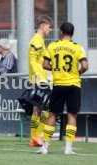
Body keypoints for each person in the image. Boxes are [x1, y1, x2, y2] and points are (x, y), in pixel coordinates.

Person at [38, 22, 88, 155]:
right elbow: (85, 65)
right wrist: (78, 72)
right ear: (72, 34)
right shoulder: (78, 48)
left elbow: (44, 64)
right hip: (73, 85)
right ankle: (68, 148)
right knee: (72, 115)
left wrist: (54, 68)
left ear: (61, 32)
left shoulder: (53, 45)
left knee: (52, 114)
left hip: (58, 84)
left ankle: (45, 147)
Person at [28, 15, 53, 147]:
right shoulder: (36, 40)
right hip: (39, 80)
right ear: (42, 26)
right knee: (48, 108)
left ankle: (34, 139)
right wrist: (37, 77)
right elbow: (32, 60)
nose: (50, 29)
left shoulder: (40, 40)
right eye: (49, 27)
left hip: (40, 79)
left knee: (37, 109)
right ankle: (36, 137)